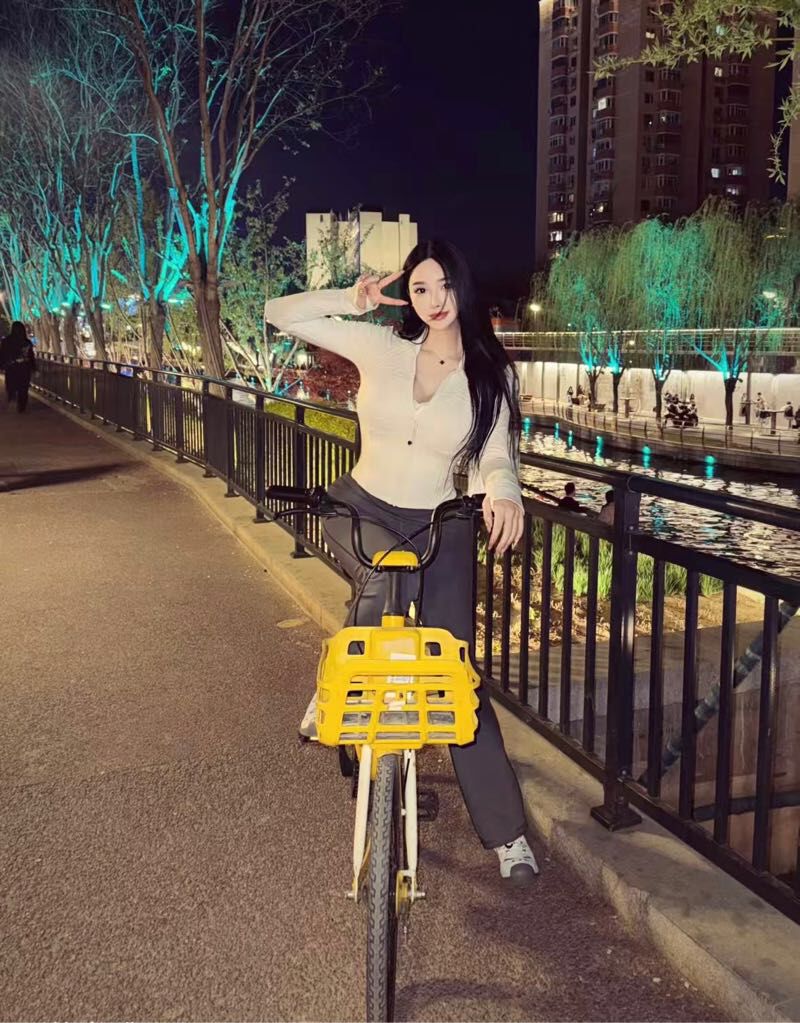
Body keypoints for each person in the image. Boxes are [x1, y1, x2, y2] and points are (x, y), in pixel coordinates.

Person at [264, 239, 539, 884]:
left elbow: (496, 456)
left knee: (455, 671)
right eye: (420, 288)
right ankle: (342, 687)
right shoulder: (382, 347)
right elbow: (279, 312)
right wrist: (351, 300)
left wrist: (505, 492)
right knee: (386, 574)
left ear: (463, 287)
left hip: (439, 522)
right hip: (361, 505)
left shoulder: (491, 375)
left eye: (444, 285)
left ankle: (507, 835)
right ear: (407, 296)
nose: (434, 300)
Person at [0, 321, 36, 413]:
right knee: (23, 387)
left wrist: (2, 365)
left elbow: (2, 354)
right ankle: (22, 405)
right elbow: (31, 356)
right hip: (24, 368)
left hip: (11, 367)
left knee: (11, 384)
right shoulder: (26, 342)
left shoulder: (6, 341)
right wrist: (34, 368)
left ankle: (12, 398)